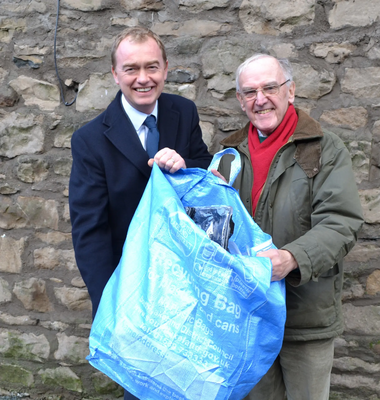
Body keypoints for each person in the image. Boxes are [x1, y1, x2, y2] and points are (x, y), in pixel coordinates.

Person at [69, 27, 212, 400]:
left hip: (189, 285)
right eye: (131, 69)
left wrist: (186, 165)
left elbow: (205, 174)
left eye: (152, 67)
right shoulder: (89, 140)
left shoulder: (184, 112)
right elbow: (90, 230)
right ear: (115, 75)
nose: (143, 78)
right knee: (145, 391)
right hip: (135, 294)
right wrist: (112, 306)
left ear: (166, 68)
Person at [217, 54, 364, 400]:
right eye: (250, 92)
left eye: (270, 87)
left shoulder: (325, 149)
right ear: (240, 101)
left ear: (291, 91)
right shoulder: (227, 155)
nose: (261, 99)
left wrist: (291, 258)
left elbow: (341, 221)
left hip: (304, 318)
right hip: (247, 315)